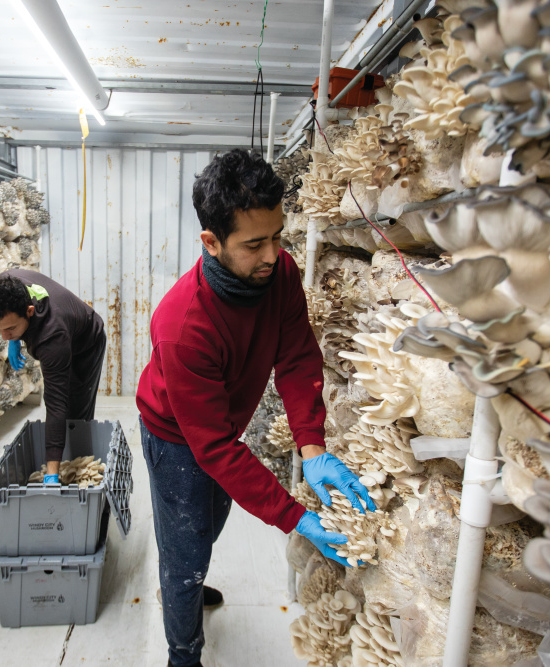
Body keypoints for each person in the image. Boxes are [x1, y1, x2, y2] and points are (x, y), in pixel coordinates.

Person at [136, 149, 374, 667]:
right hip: (176, 435)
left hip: (222, 425)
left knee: (211, 519)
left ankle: (186, 578)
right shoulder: (184, 327)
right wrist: (295, 517)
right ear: (211, 242)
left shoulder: (279, 274)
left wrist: (313, 450)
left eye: (278, 236)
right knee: (186, 550)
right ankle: (182, 650)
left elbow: (296, 357)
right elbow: (214, 448)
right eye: (254, 244)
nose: (272, 254)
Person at [0, 269, 106, 482]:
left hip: (86, 344)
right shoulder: (3, 286)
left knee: (75, 412)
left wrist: (51, 475)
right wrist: (13, 338)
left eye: (10, 328)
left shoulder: (51, 337)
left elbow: (56, 403)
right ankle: (60, 460)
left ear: (29, 311)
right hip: (59, 328)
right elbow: (8, 318)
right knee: (65, 413)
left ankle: (77, 465)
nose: (3, 335)